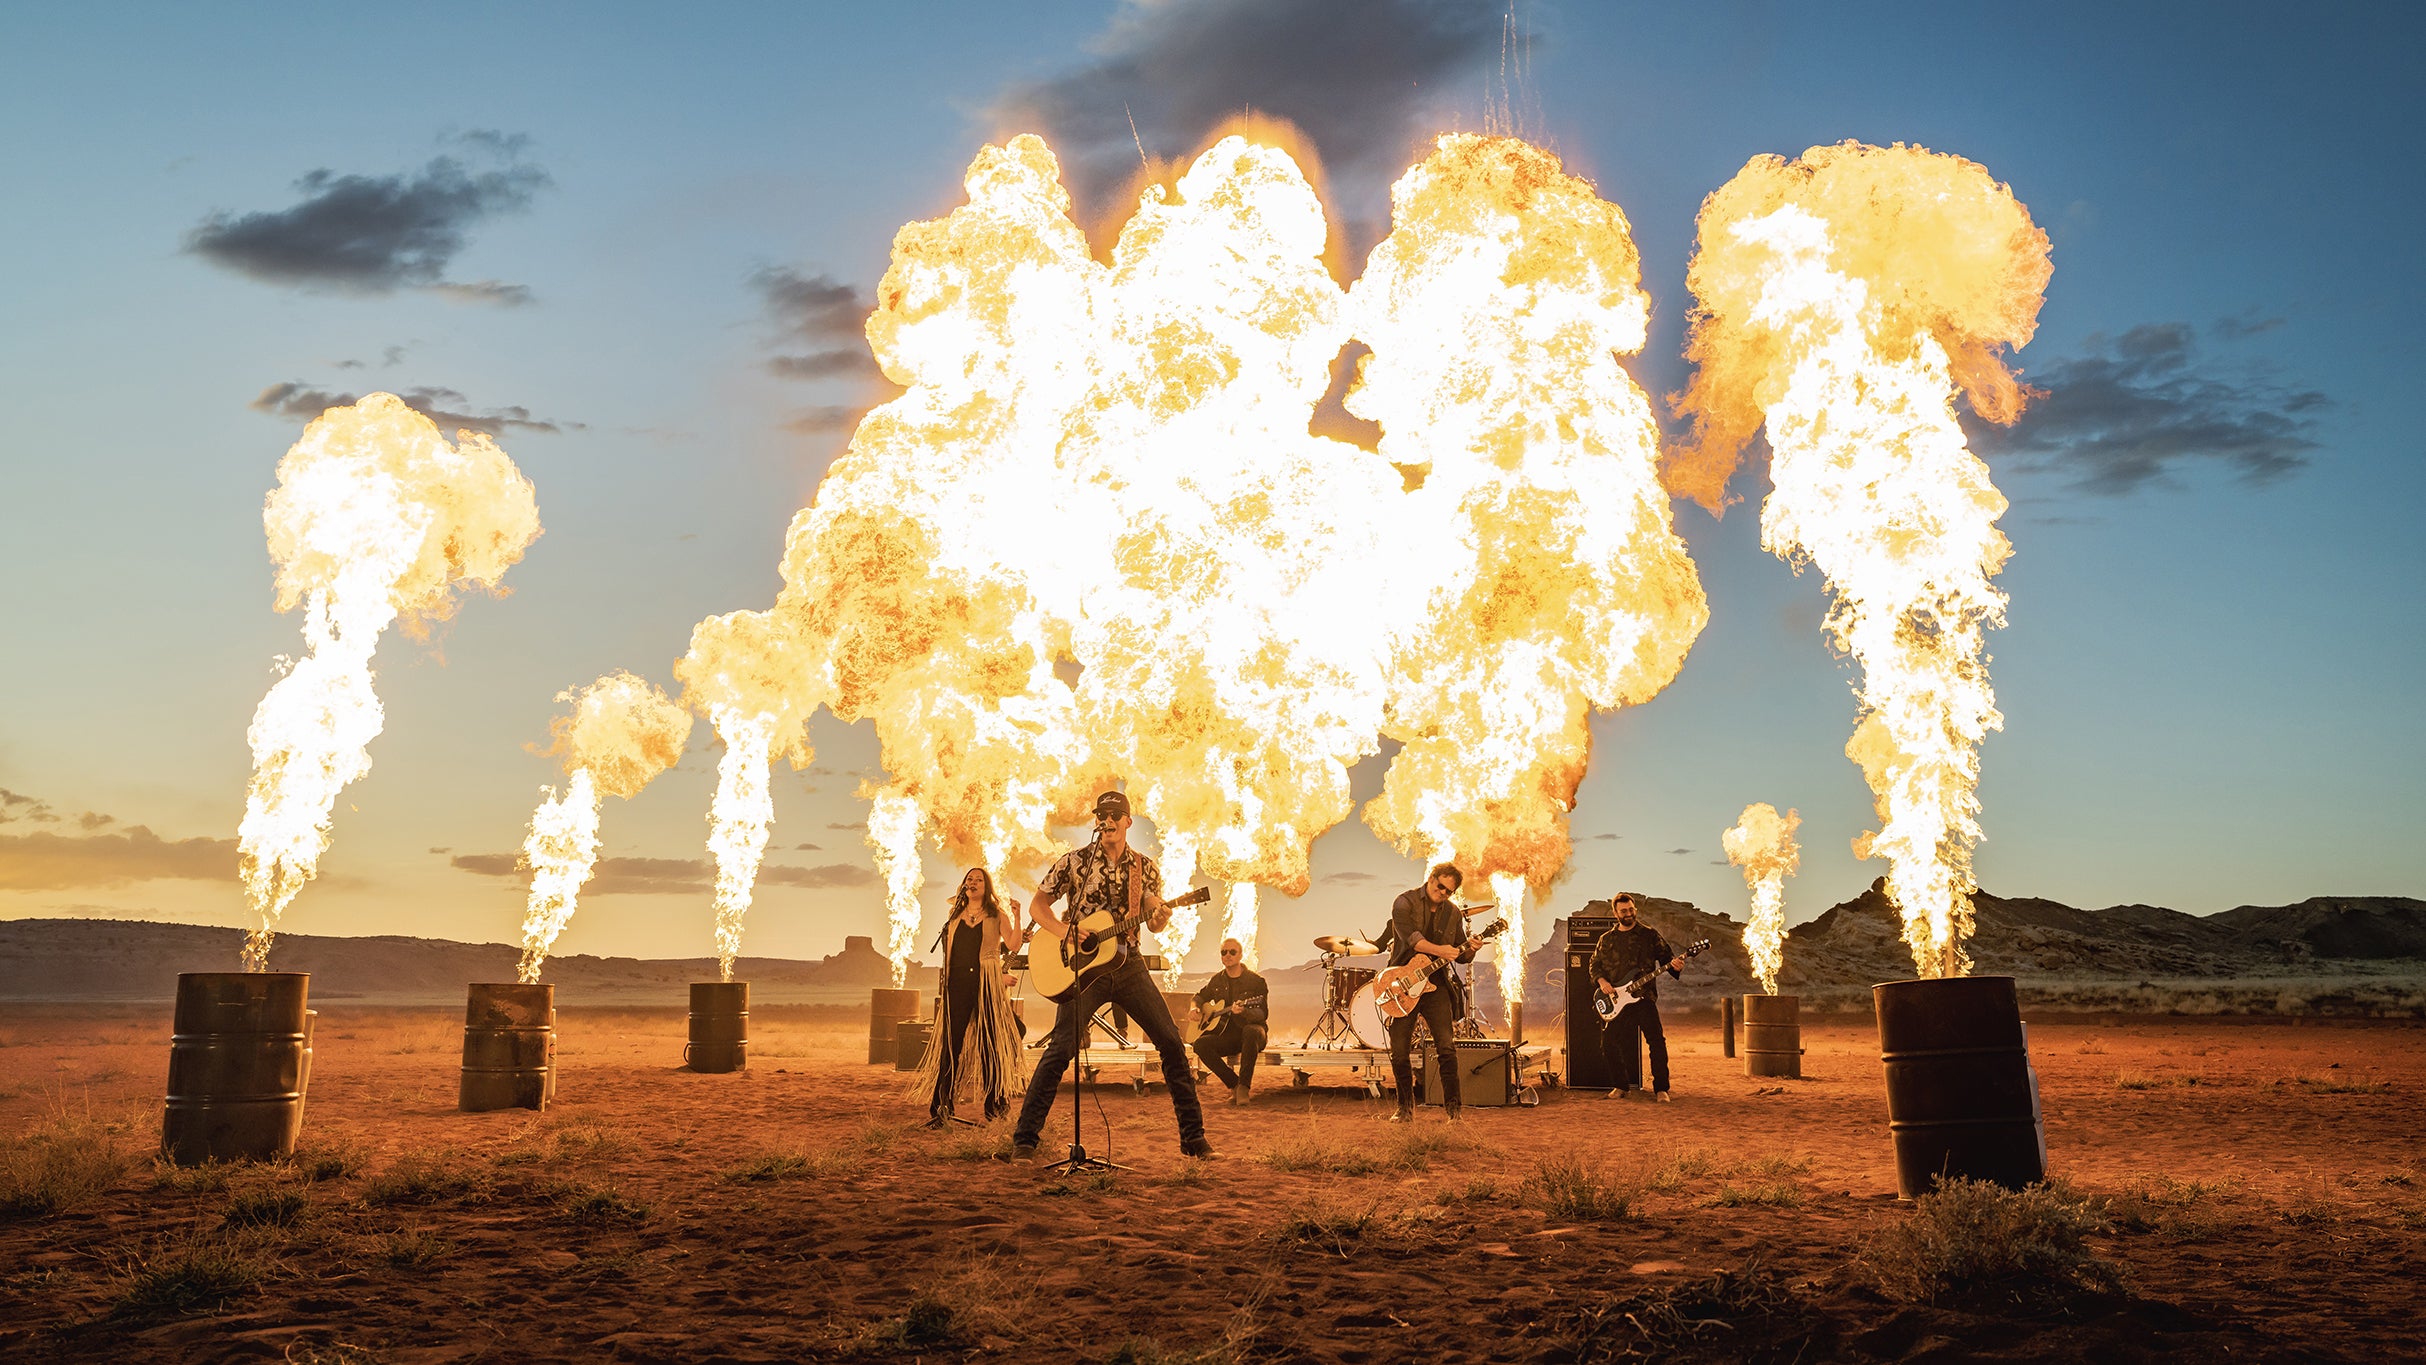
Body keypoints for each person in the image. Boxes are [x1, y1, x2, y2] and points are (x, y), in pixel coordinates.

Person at [1011, 790, 1214, 1160]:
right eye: (1101, 815)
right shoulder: (1074, 862)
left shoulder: (1144, 867)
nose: (1107, 821)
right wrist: (1063, 932)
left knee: (1170, 1043)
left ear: (1127, 822)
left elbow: (1152, 909)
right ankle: (1025, 1139)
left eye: (1114, 815)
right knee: (1061, 1049)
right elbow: (1039, 905)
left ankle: (1194, 1139)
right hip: (1083, 970)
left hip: (1129, 964)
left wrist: (1160, 916)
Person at [908, 867, 1027, 1126]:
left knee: (989, 1046)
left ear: (987, 887)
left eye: (978, 880)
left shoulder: (997, 915)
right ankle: (942, 1106)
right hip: (957, 985)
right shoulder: (954, 917)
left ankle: (995, 1104)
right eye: (969, 880)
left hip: (985, 985)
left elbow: (1014, 944)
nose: (973, 883)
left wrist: (1018, 918)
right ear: (964, 886)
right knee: (951, 1046)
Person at [1383, 863, 1482, 1122]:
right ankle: (1404, 1109)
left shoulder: (1453, 913)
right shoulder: (1404, 902)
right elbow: (1411, 939)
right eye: (1440, 886)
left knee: (1446, 1048)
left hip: (1436, 985)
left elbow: (1460, 957)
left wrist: (1470, 949)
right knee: (1400, 1050)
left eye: (1449, 891)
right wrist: (1442, 951)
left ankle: (1454, 1112)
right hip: (1403, 983)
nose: (1443, 893)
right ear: (1431, 879)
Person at [1590, 891, 1685, 1102]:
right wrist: (1603, 982)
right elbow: (1594, 965)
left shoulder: (1649, 935)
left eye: (1631, 909)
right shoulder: (1607, 940)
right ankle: (1621, 1086)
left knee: (1657, 1043)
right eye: (1624, 911)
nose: (1629, 913)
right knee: (1609, 1042)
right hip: (1617, 1001)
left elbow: (1667, 959)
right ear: (1615, 913)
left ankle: (1661, 1089)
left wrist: (1676, 966)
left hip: (1644, 998)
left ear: (1636, 910)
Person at [1191, 938, 1268, 1105]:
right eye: (1224, 952)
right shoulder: (1217, 980)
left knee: (1250, 1031)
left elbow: (1262, 1013)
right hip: (1229, 1036)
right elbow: (1200, 996)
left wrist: (1245, 1011)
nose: (1227, 955)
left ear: (1240, 955)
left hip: (1254, 1034)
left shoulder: (1256, 981)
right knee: (1200, 1044)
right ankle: (1234, 1083)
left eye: (1232, 952)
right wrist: (1195, 1008)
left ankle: (1244, 1088)